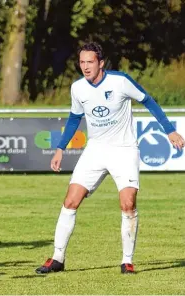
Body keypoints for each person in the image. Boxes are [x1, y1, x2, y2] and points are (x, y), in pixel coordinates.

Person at [35, 42, 185, 275]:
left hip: (124, 150)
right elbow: (75, 118)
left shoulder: (120, 81)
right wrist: (60, 148)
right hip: (95, 150)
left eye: (90, 62)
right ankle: (57, 258)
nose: (85, 67)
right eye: (82, 62)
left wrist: (169, 130)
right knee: (70, 201)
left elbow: (148, 100)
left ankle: (127, 261)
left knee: (128, 203)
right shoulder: (78, 89)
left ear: (101, 63)